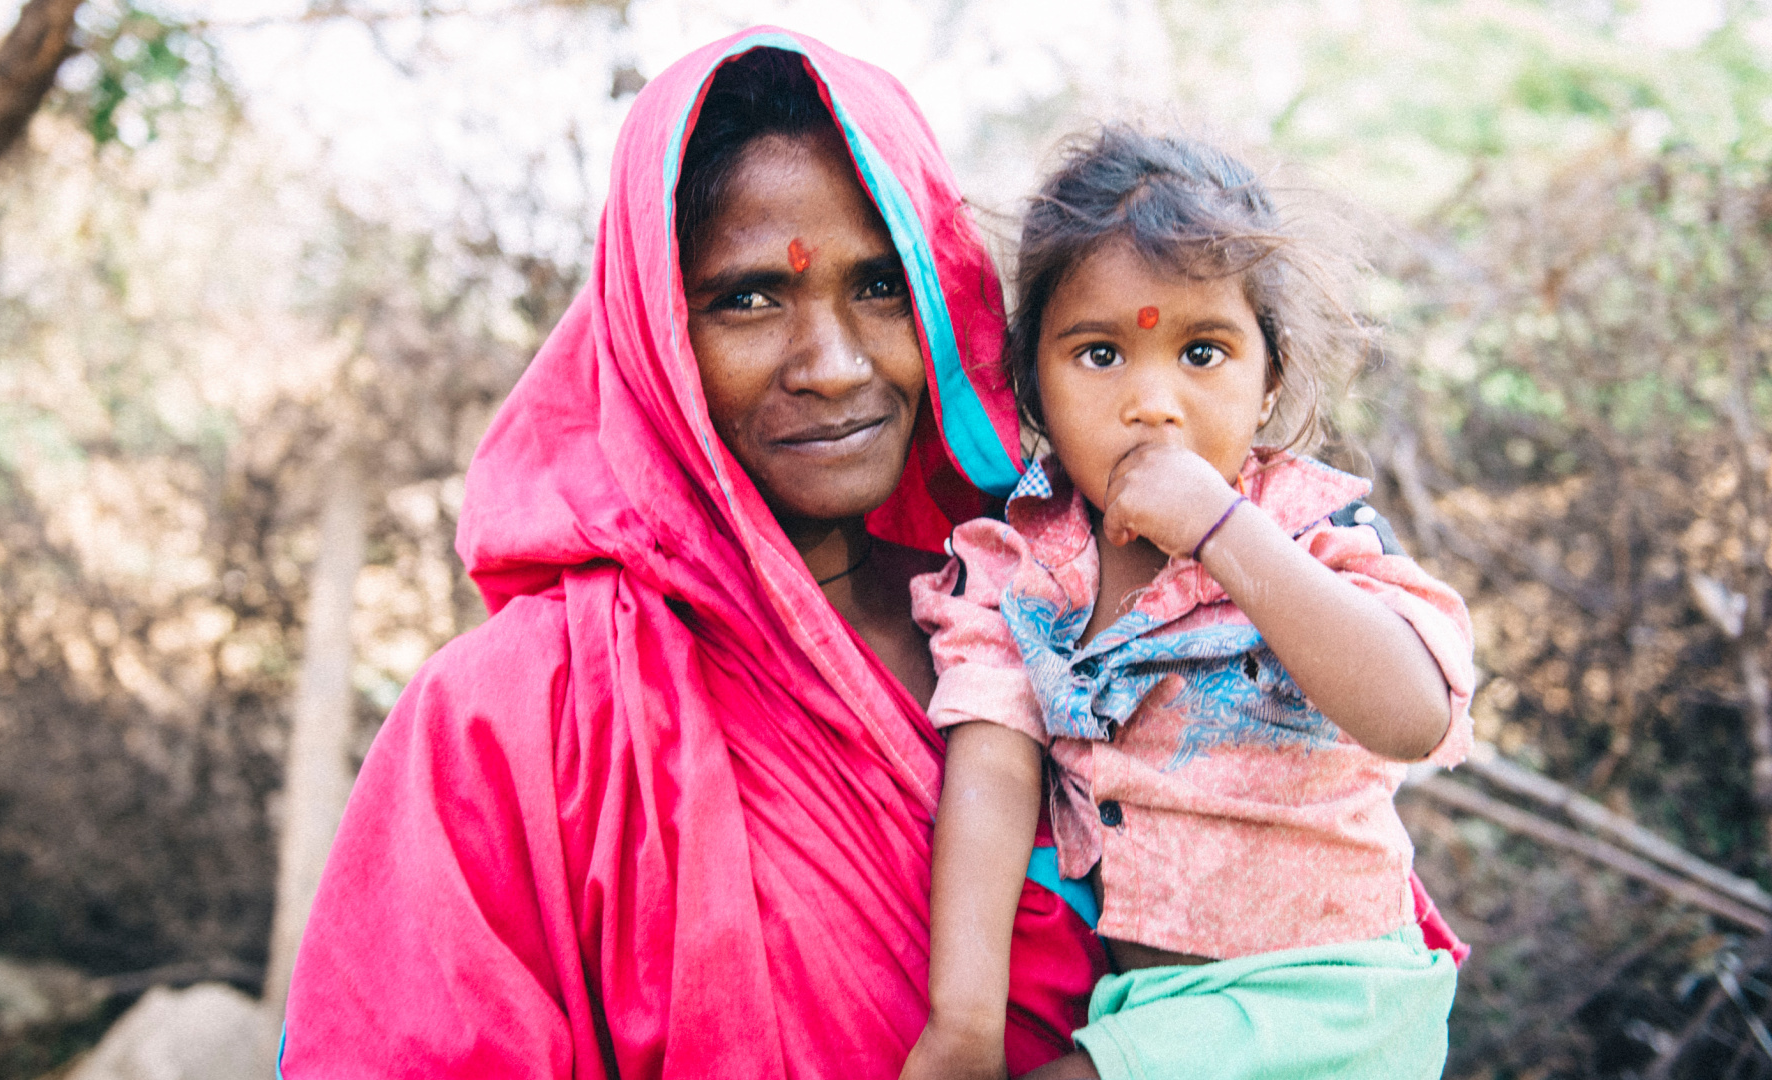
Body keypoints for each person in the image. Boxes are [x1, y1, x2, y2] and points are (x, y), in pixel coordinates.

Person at [275, 30, 1108, 1080]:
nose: (836, 365)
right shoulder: (515, 715)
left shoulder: (1072, 628)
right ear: (658, 331)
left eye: (882, 285)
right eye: (749, 298)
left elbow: (1306, 961)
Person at [902, 126, 1478, 1080]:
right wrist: (961, 1020)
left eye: (1203, 351)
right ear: (1034, 383)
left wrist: (1225, 533)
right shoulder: (1016, 567)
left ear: (1270, 382)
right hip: (1153, 1011)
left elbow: (1413, 716)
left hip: (1332, 1001)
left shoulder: (1311, 532)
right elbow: (995, 777)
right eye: (1099, 355)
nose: (1154, 402)